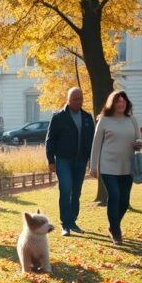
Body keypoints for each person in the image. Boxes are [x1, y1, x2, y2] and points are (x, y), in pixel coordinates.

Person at [89, 90, 142, 245]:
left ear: (127, 104)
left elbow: (139, 139)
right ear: (112, 103)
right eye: (118, 101)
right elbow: (96, 144)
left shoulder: (132, 120)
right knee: (114, 196)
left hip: (127, 166)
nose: (121, 104)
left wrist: (139, 144)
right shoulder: (104, 120)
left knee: (124, 201)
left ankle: (113, 226)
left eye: (124, 102)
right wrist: (93, 166)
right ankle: (116, 231)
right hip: (108, 166)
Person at [45, 87, 95, 236]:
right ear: (68, 99)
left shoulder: (87, 117)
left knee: (76, 192)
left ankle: (73, 221)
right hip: (63, 160)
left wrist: (92, 160)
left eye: (80, 99)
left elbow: (92, 141)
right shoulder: (58, 117)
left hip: (81, 160)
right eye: (74, 99)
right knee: (66, 190)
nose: (78, 102)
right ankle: (65, 224)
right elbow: (50, 140)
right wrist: (50, 160)